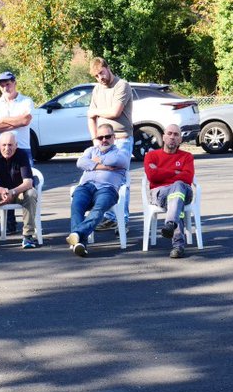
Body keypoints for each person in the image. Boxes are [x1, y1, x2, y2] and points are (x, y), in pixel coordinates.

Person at [67, 124, 129, 257]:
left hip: (107, 189)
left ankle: (77, 234)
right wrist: (104, 167)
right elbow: (80, 162)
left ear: (114, 137)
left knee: (99, 209)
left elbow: (117, 160)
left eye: (107, 136)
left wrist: (95, 162)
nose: (104, 140)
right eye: (100, 137)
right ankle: (80, 244)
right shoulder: (90, 150)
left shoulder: (121, 151)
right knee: (77, 206)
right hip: (86, 187)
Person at [87, 57, 134, 229]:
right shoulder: (97, 90)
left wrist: (95, 112)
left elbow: (115, 112)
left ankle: (123, 220)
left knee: (121, 178)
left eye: (101, 73)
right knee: (104, 177)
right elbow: (90, 117)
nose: (100, 78)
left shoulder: (122, 85)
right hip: (102, 140)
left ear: (107, 68)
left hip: (121, 139)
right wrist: (94, 140)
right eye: (96, 76)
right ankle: (109, 216)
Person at [0, 71, 34, 233]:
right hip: (0, 149)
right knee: (3, 185)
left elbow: (25, 120)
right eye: (2, 85)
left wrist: (3, 120)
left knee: (26, 187)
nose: (5, 87)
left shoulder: (26, 101)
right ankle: (10, 224)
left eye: (8, 83)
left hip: (23, 149)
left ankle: (29, 226)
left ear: (14, 83)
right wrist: (16, 121)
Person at [0, 131, 39, 251]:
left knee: (31, 193)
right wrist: (2, 191)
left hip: (20, 193)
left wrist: (13, 192)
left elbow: (28, 182)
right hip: (2, 194)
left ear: (16, 145)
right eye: (4, 145)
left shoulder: (22, 155)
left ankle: (28, 236)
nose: (7, 148)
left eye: (10, 145)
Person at [143, 124, 195, 259]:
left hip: (183, 191)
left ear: (180, 140)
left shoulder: (187, 157)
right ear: (163, 137)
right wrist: (176, 172)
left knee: (178, 187)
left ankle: (170, 223)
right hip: (160, 193)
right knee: (177, 201)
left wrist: (161, 171)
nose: (172, 137)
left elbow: (187, 177)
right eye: (170, 134)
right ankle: (178, 246)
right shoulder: (151, 155)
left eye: (176, 135)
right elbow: (152, 176)